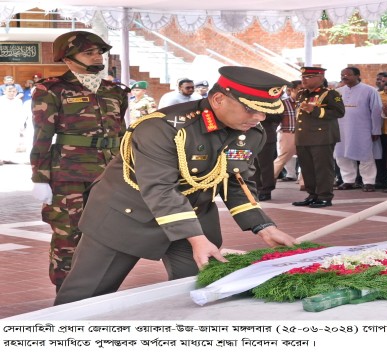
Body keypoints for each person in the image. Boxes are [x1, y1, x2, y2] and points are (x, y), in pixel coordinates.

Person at [54, 66, 298, 305]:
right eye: (250, 109)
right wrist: (195, 237)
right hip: (127, 215)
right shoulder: (161, 127)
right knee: (83, 298)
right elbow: (160, 188)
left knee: (199, 293)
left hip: (193, 217)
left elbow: (236, 180)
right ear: (218, 99)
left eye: (265, 111)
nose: (259, 118)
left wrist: (262, 225)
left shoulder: (251, 133)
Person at [30, 31, 129, 291]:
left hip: (110, 174)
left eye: (99, 52)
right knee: (68, 236)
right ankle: (65, 293)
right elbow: (42, 136)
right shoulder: (51, 89)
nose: (98, 57)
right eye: (89, 52)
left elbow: (121, 133)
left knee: (106, 234)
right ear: (68, 58)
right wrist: (40, 177)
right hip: (69, 175)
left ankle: (97, 289)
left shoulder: (114, 90)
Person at [292, 67, 345, 208]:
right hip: (303, 136)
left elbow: (339, 112)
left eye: (308, 77)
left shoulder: (330, 94)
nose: (304, 79)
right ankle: (312, 194)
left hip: (322, 137)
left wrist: (315, 110)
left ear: (320, 78)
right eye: (303, 77)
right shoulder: (301, 94)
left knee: (323, 169)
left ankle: (324, 197)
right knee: (307, 169)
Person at [334, 67, 383, 192]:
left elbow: (376, 111)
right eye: (342, 74)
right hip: (341, 129)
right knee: (341, 155)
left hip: (363, 129)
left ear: (357, 76)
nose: (344, 77)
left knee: (365, 155)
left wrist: (375, 130)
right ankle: (348, 180)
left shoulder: (370, 91)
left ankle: (368, 182)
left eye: (348, 75)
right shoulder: (337, 92)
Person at [273, 80, 302, 182]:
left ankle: (304, 182)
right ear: (292, 89)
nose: (302, 91)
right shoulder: (283, 103)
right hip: (287, 134)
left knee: (307, 158)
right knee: (282, 158)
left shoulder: (308, 103)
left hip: (305, 134)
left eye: (304, 89)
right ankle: (268, 179)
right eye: (300, 89)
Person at [0, 85, 25, 164]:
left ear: (17, 92)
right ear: (4, 92)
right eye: (9, 91)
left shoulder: (18, 101)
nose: (11, 93)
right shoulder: (1, 100)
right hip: (3, 124)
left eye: (14, 91)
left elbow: (21, 114)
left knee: (13, 141)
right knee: (2, 141)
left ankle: (8, 158)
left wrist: (21, 125)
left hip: (14, 124)